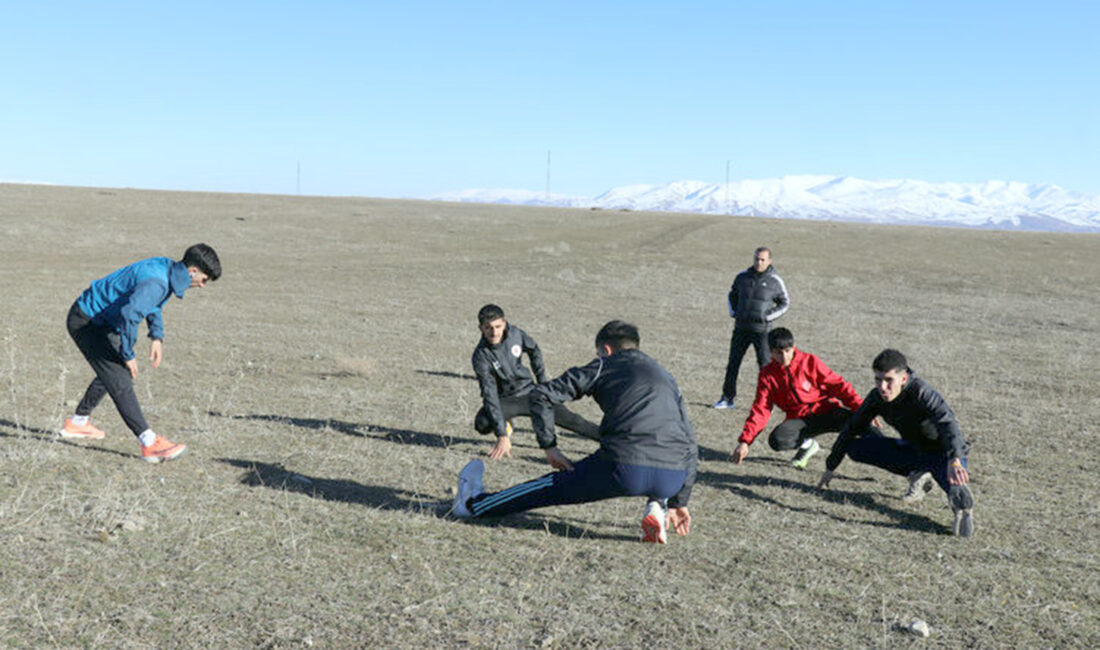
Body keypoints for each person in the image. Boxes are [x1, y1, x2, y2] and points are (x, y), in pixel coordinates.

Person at [453, 320, 698, 544]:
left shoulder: (604, 364)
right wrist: (680, 500)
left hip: (624, 467)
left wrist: (549, 445)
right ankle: (659, 503)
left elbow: (541, 394)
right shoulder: (667, 377)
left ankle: (473, 505)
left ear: (606, 350)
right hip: (672, 478)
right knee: (654, 467)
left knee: (548, 487)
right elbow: (690, 442)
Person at [59, 243, 222, 462]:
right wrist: (128, 354)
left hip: (102, 321)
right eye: (204, 280)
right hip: (87, 321)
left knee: (113, 372)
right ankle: (149, 442)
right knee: (120, 378)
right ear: (193, 270)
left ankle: (78, 423)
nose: (202, 286)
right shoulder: (158, 281)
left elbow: (150, 303)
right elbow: (130, 315)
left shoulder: (165, 268)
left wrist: (156, 336)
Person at [816, 349, 975, 537]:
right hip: (912, 450)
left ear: (904, 378)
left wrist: (955, 458)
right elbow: (852, 428)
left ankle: (961, 507)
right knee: (856, 448)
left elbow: (948, 423)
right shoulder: (876, 397)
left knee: (953, 483)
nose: (882, 386)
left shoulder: (922, 392)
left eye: (889, 380)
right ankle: (918, 474)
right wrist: (830, 466)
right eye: (877, 379)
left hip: (943, 453)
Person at [471, 304, 598, 460]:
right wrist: (501, 435)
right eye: (488, 328)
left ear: (504, 323)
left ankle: (611, 440)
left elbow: (534, 350)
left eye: (498, 326)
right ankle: (506, 426)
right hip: (507, 400)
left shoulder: (516, 334)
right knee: (482, 423)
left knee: (574, 421)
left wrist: (543, 383)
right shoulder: (480, 356)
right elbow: (489, 394)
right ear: (480, 328)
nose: (494, 332)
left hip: (531, 392)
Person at [732, 327, 866, 469]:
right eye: (778, 353)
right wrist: (745, 441)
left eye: (787, 351)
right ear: (770, 351)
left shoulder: (810, 362)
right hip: (799, 420)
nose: (784, 357)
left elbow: (838, 386)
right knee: (777, 440)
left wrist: (861, 408)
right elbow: (761, 409)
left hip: (827, 412)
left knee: (864, 424)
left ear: (794, 347)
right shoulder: (767, 375)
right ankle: (808, 445)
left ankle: (888, 453)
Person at [714, 246, 789, 410]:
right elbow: (732, 295)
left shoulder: (775, 281)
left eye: (762, 259)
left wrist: (767, 317)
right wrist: (734, 312)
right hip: (741, 328)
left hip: (762, 331)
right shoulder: (742, 277)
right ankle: (727, 398)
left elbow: (785, 303)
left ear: (769, 261)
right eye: (756, 259)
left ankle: (766, 402)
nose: (758, 262)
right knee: (733, 363)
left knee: (765, 366)